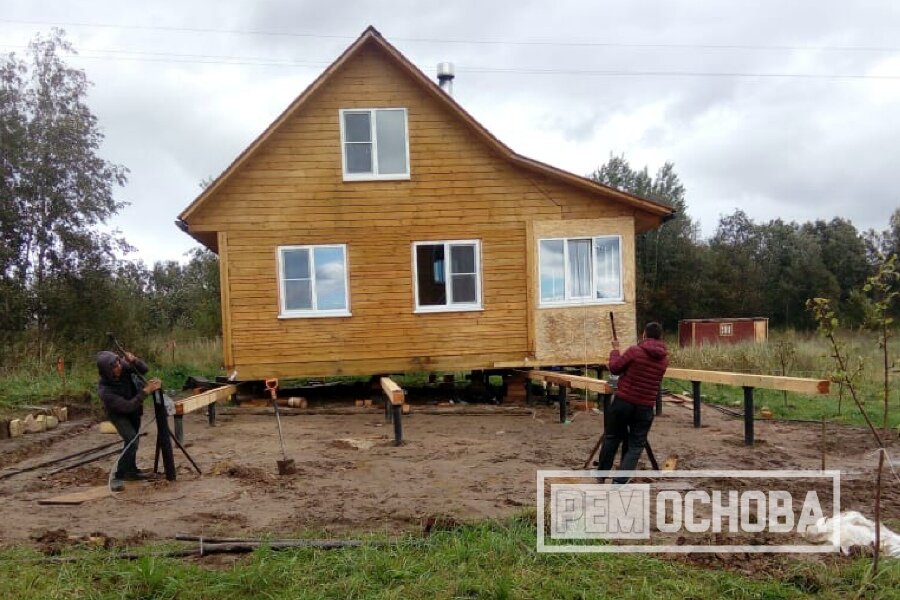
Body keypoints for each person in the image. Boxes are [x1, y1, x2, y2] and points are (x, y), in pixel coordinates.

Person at [596, 322, 668, 484]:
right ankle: (620, 480)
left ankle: (601, 474)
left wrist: (615, 350)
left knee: (612, 437)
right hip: (645, 407)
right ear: (660, 337)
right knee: (636, 445)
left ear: (644, 334)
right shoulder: (664, 360)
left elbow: (614, 368)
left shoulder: (635, 351)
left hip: (623, 402)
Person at [96, 350, 161, 484]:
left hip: (134, 410)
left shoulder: (122, 366)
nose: (119, 366)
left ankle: (131, 470)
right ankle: (120, 474)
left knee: (133, 441)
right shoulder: (105, 390)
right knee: (132, 440)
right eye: (114, 366)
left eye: (118, 362)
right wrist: (145, 391)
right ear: (107, 371)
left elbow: (143, 369)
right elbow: (126, 406)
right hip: (119, 415)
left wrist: (135, 360)